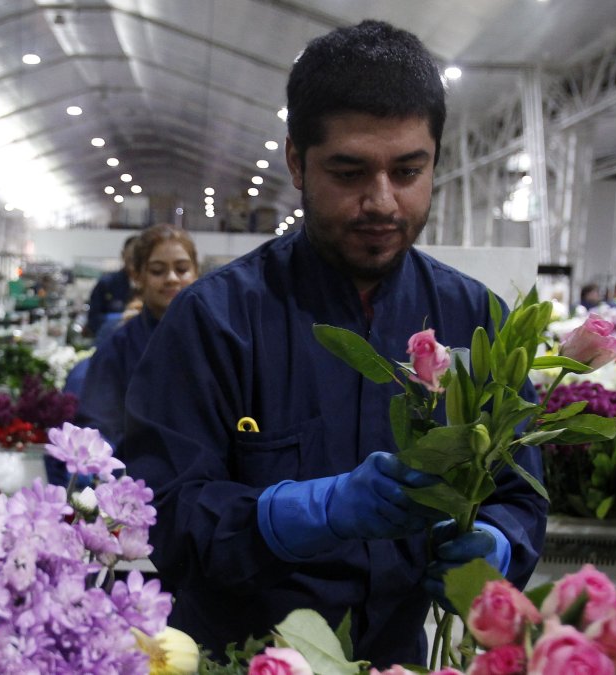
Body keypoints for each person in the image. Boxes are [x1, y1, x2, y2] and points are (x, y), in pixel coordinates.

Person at [119, 21, 546, 667]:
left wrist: (500, 541)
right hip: (240, 655)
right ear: (297, 160)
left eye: (408, 170)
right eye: (349, 171)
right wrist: (304, 511)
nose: (382, 201)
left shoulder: (475, 320)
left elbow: (521, 492)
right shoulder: (216, 320)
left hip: (399, 656)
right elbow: (162, 510)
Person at [78, 224, 198, 446]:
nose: (172, 278)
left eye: (182, 269)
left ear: (196, 272)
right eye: (157, 271)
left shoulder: (217, 341)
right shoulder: (118, 348)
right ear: (137, 276)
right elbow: (98, 426)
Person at [85, 234, 139, 339]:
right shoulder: (106, 283)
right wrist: (121, 318)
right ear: (123, 255)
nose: (134, 264)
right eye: (131, 258)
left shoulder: (150, 285)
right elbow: (93, 319)